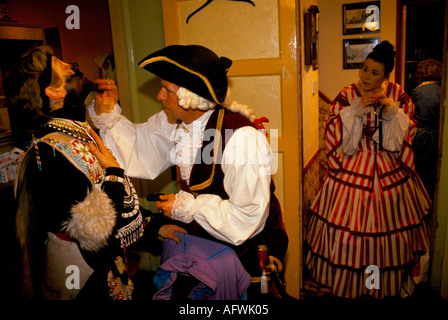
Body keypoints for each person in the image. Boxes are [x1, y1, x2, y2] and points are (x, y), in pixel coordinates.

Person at [88, 44, 289, 287]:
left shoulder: (240, 138)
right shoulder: (178, 123)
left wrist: (189, 207)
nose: (160, 96)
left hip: (238, 257)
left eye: (167, 90)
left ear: (190, 98)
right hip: (201, 249)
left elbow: (246, 216)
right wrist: (109, 117)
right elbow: (143, 147)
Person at [4, 45, 185, 300]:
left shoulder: (75, 135)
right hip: (83, 285)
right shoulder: (48, 154)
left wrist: (156, 227)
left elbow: (101, 196)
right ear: (54, 91)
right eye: (63, 67)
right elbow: (97, 229)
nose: (74, 67)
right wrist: (112, 170)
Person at [305, 41, 431, 298]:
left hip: (388, 166)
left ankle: (375, 286)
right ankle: (353, 284)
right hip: (352, 162)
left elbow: (411, 130)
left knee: (386, 233)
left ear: (386, 76)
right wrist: (355, 111)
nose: (366, 77)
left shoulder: (398, 94)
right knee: (346, 230)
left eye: (374, 73)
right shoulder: (347, 94)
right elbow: (331, 130)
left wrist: (391, 113)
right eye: (364, 69)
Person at [411, 58, 442, 200]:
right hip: (437, 136)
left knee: (418, 173)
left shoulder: (416, 92)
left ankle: (419, 204)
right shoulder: (441, 91)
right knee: (433, 174)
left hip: (418, 135)